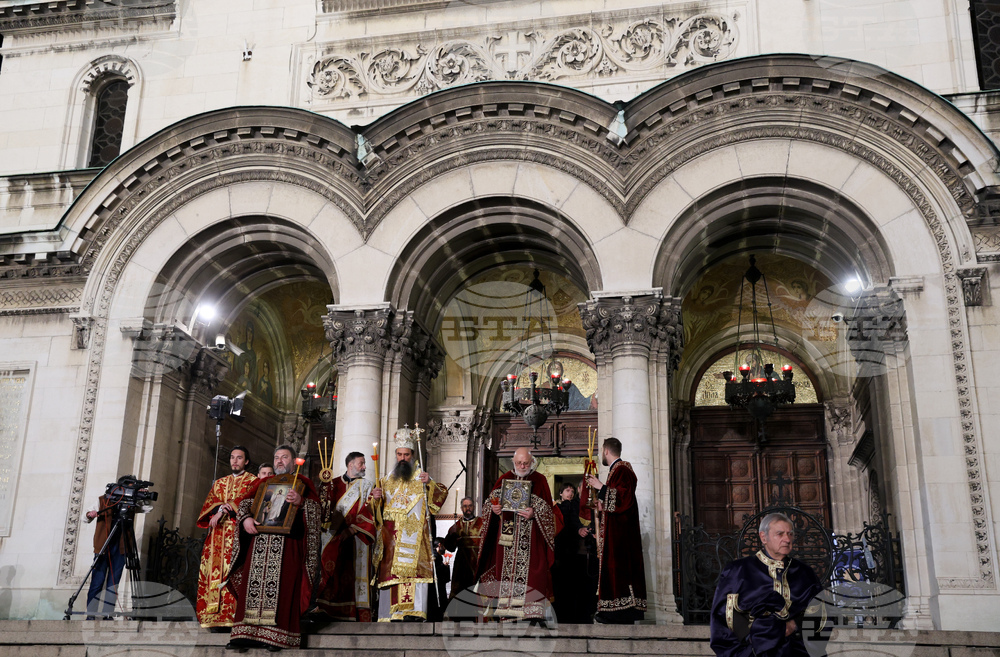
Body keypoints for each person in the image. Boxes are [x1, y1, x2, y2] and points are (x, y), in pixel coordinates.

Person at [226, 445, 322, 651]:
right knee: (252, 589)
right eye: (276, 457)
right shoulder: (263, 483)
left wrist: (302, 502)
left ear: (293, 460)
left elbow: (317, 512)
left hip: (288, 545)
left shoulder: (303, 483)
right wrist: (245, 520)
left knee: (282, 591)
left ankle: (276, 638)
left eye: (284, 457)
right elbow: (244, 504)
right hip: (259, 543)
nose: (279, 461)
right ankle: (245, 635)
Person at [709, 512, 824, 656]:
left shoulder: (805, 573)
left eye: (790, 534)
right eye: (780, 534)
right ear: (763, 537)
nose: (787, 539)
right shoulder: (738, 571)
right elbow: (723, 617)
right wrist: (750, 649)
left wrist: (794, 625)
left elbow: (822, 612)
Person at [370, 429, 448, 621]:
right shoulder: (386, 480)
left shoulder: (422, 478)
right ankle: (391, 614)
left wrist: (429, 483)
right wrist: (375, 499)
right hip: (391, 540)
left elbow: (438, 498)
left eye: (406, 454)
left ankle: (414, 612)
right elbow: (376, 511)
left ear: (412, 455)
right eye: (399, 454)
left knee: (415, 574)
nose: (402, 458)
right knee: (392, 576)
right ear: (396, 455)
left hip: (415, 537)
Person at [475, 447, 556, 621]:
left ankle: (532, 613)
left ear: (531, 462)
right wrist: (494, 509)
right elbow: (489, 506)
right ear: (513, 462)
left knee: (534, 574)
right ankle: (506, 610)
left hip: (531, 539)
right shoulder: (503, 479)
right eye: (519, 462)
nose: (522, 465)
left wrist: (535, 513)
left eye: (525, 462)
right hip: (507, 540)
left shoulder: (540, 481)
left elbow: (550, 513)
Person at [195, 446, 257, 629]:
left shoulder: (253, 481)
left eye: (239, 458)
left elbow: (248, 501)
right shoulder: (219, 483)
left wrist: (225, 507)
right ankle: (213, 618)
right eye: (232, 457)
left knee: (234, 572)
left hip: (238, 535)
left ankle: (234, 617)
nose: (234, 461)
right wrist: (218, 508)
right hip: (217, 538)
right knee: (214, 574)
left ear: (246, 461)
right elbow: (209, 504)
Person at [585, 437, 646, 624]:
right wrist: (602, 506)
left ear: (606, 451)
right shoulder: (616, 471)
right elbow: (617, 502)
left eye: (601, 450)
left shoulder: (622, 469)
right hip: (616, 531)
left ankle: (620, 611)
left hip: (621, 535)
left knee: (620, 570)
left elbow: (624, 497)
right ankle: (613, 610)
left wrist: (601, 487)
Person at [316, 451, 376, 622]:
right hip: (332, 538)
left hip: (357, 538)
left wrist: (352, 530)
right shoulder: (332, 484)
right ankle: (326, 609)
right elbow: (323, 511)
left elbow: (369, 510)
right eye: (361, 463)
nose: (364, 467)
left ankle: (355, 613)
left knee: (354, 577)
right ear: (351, 465)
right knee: (331, 573)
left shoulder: (367, 486)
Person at [552, 482, 598, 623]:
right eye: (567, 490)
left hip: (580, 552)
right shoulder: (557, 507)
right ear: (561, 493)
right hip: (563, 550)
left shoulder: (584, 506)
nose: (570, 493)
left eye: (571, 491)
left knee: (581, 585)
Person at [83, 480, 129, 619]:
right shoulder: (103, 500)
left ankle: (107, 614)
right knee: (97, 582)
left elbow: (148, 509)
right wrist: (89, 514)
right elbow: (85, 517)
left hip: (120, 548)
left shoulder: (131, 504)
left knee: (112, 585)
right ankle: (91, 614)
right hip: (103, 547)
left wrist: (140, 496)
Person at [443, 497, 483, 601]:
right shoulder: (456, 526)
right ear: (461, 508)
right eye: (465, 506)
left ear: (473, 507)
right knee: (460, 593)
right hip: (461, 564)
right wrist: (452, 535)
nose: (468, 508)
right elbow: (450, 548)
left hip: (477, 562)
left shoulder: (482, 523)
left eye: (470, 505)